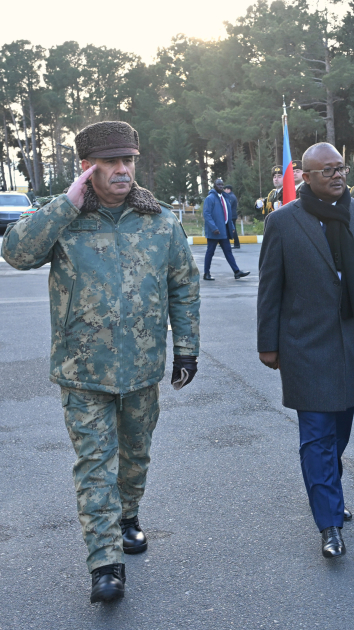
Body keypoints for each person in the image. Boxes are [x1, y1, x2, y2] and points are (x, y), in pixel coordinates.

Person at [1, 121, 201, 603]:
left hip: (142, 368)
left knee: (135, 457)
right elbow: (15, 253)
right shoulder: (66, 219)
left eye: (128, 160)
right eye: (110, 161)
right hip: (82, 370)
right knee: (95, 465)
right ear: (87, 167)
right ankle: (105, 564)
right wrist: (64, 205)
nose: (122, 170)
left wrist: (187, 348)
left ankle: (127, 515)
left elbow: (183, 285)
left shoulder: (161, 221)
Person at [257, 142, 354, 559]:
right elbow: (270, 288)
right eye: (326, 171)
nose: (337, 175)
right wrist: (267, 343)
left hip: (353, 344)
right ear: (305, 177)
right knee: (317, 436)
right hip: (305, 346)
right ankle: (329, 523)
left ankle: (330, 487)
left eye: (340, 168)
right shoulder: (284, 222)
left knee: (338, 434)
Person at [202, 178, 250, 281]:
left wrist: (231, 227)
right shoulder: (210, 198)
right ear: (214, 186)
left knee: (228, 251)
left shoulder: (224, 198)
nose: (220, 187)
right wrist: (213, 227)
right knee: (210, 252)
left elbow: (228, 214)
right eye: (218, 185)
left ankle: (237, 272)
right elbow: (206, 214)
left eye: (222, 185)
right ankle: (206, 273)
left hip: (223, 231)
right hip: (214, 232)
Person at [223, 184, 241, 249]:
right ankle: (225, 242)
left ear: (229, 190)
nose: (224, 190)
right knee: (229, 229)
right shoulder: (230, 196)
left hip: (232, 216)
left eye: (225, 189)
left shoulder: (231, 197)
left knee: (233, 230)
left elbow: (228, 206)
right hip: (231, 215)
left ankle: (237, 244)